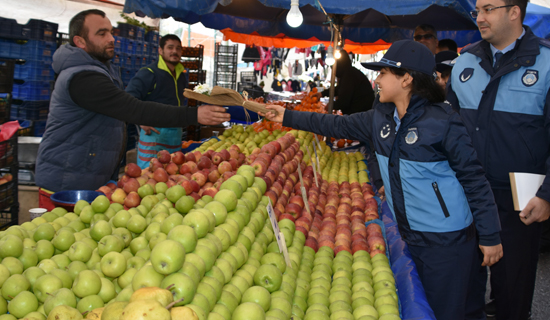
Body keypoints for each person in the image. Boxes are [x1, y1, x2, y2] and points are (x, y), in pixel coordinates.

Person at [261, 40, 503, 320]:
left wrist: (490, 234)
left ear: (406, 78)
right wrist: (287, 116)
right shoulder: (380, 119)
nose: (376, 79)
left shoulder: (443, 122)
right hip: (409, 234)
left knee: (447, 311)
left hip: (447, 240)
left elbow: (474, 178)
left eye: (383, 73)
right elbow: (334, 124)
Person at [35, 9, 230, 207]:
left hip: (90, 177)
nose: (111, 38)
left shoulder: (102, 70)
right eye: (102, 34)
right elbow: (132, 107)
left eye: (111, 32)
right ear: (80, 42)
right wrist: (194, 114)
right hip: (67, 185)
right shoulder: (82, 77)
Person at [446, 0, 550, 319]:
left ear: (514, 11)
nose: (479, 17)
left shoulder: (546, 63)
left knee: (513, 291)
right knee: (465, 288)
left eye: (488, 9)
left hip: (520, 198)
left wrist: (547, 195)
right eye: (478, 10)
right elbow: (446, 131)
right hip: (468, 194)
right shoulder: (464, 63)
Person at [125, 34, 188, 169]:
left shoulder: (181, 76)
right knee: (148, 177)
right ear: (160, 50)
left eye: (178, 48)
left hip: (175, 135)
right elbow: (128, 98)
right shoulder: (149, 73)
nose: (174, 51)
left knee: (172, 175)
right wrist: (140, 120)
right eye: (170, 47)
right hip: (153, 135)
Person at [316, 50, 375, 114]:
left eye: (333, 67)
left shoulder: (349, 75)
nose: (333, 71)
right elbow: (339, 89)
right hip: (361, 114)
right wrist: (322, 94)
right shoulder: (349, 73)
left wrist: (331, 105)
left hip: (361, 115)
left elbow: (344, 101)